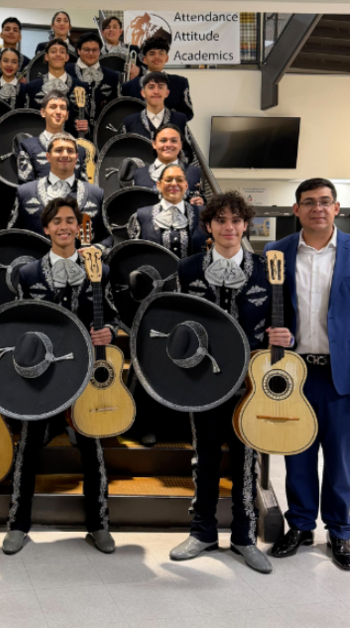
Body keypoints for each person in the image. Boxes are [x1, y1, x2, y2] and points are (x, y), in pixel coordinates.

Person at [171, 191, 287, 574]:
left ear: (245, 225)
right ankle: (202, 531)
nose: (229, 227)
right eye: (221, 220)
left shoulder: (265, 270)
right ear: (208, 226)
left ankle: (243, 537)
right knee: (204, 460)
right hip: (202, 383)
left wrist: (284, 337)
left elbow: (284, 327)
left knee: (245, 463)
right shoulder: (186, 270)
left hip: (249, 387)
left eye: (236, 220)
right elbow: (175, 325)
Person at [6, 197, 118, 555]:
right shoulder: (27, 273)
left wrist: (110, 333)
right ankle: (18, 524)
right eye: (57, 221)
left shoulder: (99, 268)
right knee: (27, 448)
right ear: (47, 228)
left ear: (79, 226)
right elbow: (21, 322)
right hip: (41, 372)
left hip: (86, 371)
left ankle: (99, 524)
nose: (65, 226)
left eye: (71, 220)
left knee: (92, 447)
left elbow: (113, 316)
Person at [266, 178, 350, 571]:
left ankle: (342, 531)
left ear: (337, 208)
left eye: (325, 202)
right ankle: (299, 526)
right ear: (296, 210)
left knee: (341, 459)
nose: (318, 208)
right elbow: (264, 307)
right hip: (294, 374)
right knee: (296, 454)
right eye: (308, 202)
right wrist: (270, 332)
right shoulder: (276, 252)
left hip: (341, 375)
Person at [12, 133, 110, 248]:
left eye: (70, 151)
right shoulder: (25, 192)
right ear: (48, 156)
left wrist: (95, 250)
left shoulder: (95, 193)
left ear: (77, 157)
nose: (65, 155)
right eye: (58, 150)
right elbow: (12, 236)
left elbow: (107, 238)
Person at [126, 163, 209, 257]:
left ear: (186, 186)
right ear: (159, 185)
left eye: (179, 180)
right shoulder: (141, 216)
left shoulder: (204, 214)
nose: (174, 184)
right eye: (168, 180)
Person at [17, 90, 90, 183]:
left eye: (62, 108)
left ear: (67, 115)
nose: (58, 112)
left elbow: (84, 190)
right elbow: (26, 190)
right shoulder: (28, 147)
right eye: (53, 107)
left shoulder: (80, 150)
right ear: (43, 112)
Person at [23, 39, 89, 136]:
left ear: (67, 57)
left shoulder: (81, 87)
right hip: (39, 144)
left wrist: (86, 128)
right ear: (46, 57)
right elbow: (26, 121)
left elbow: (89, 123)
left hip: (71, 145)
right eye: (53, 51)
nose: (58, 55)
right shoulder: (32, 87)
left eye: (62, 52)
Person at [122, 72, 192, 160]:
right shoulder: (129, 122)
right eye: (151, 87)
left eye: (160, 87)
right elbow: (122, 153)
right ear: (143, 93)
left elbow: (188, 153)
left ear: (167, 93)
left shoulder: (180, 120)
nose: (156, 91)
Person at [121, 36, 194, 119]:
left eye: (161, 53)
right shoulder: (129, 86)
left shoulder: (180, 83)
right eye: (152, 53)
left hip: (170, 130)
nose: (156, 57)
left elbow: (187, 113)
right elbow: (124, 115)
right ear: (144, 59)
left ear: (166, 58)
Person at [131, 124, 203, 198]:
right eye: (163, 140)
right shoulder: (139, 174)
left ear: (180, 145)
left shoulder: (194, 173)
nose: (168, 145)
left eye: (174, 141)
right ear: (154, 144)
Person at [67, 32, 121, 122]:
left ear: (100, 51)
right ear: (78, 51)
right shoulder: (66, 71)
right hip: (70, 130)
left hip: (101, 132)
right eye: (86, 50)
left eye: (94, 50)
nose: (91, 53)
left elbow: (115, 109)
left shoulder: (112, 76)